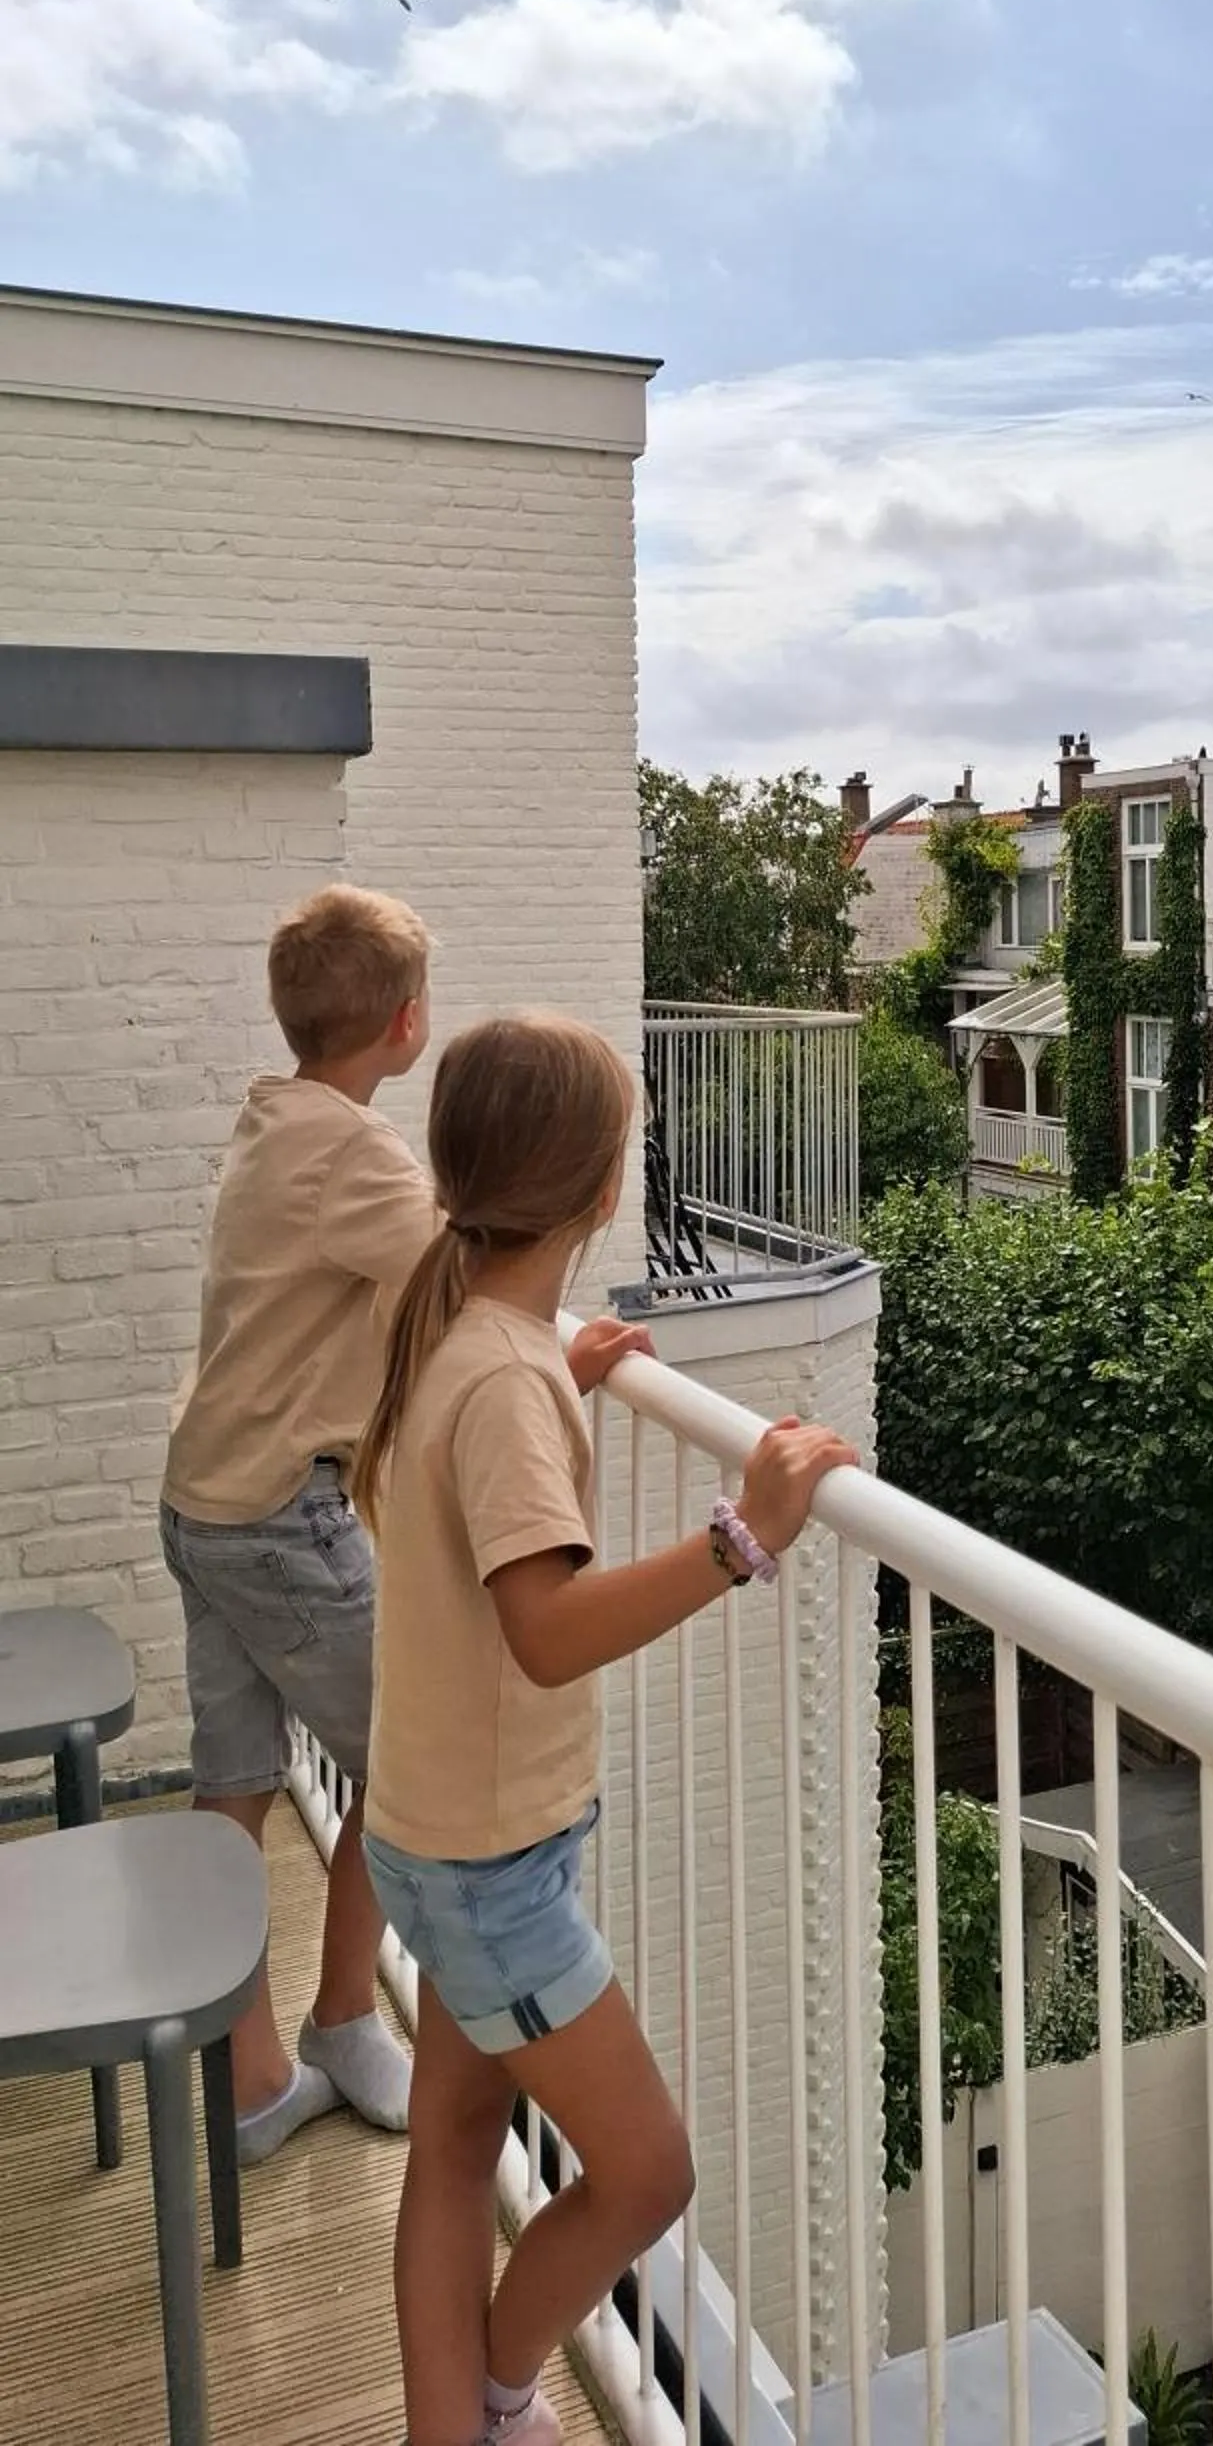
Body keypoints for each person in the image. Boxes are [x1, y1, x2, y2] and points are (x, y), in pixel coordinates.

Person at [353, 1012, 858, 2446]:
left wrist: (556, 1382)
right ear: (593, 1190)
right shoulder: (500, 1370)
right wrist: (741, 1539)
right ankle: (507, 2382)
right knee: (647, 2172)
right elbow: (546, 1626)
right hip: (492, 1872)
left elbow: (449, 1496)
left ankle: (450, 2422)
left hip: (429, 1836)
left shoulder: (462, 1331)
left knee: (452, 2150)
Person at [161, 884, 442, 2163]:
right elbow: (454, 1277)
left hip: (201, 1498)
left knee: (233, 1788)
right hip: (277, 1514)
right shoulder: (354, 1150)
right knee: (410, 1767)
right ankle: (338, 2019)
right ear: (404, 1023)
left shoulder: (274, 1117)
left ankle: (252, 2078)